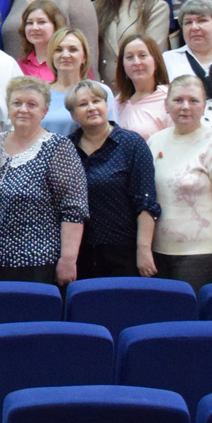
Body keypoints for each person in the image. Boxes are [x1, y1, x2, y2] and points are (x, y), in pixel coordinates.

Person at [0, 76, 89, 284]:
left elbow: (74, 208)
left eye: (32, 104)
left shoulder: (58, 147)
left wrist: (68, 260)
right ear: (8, 107)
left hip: (38, 264)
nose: (23, 109)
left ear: (44, 111)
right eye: (17, 103)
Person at [147, 76, 212, 289]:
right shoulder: (155, 141)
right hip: (158, 254)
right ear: (166, 105)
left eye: (194, 100)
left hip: (200, 256)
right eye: (178, 100)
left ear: (205, 106)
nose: (185, 107)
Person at [63, 79, 159, 279]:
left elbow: (146, 201)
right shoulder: (65, 149)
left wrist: (143, 249)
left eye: (96, 101)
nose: (91, 108)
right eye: (82, 104)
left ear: (107, 106)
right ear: (73, 115)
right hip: (78, 254)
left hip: (123, 251)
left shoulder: (132, 144)